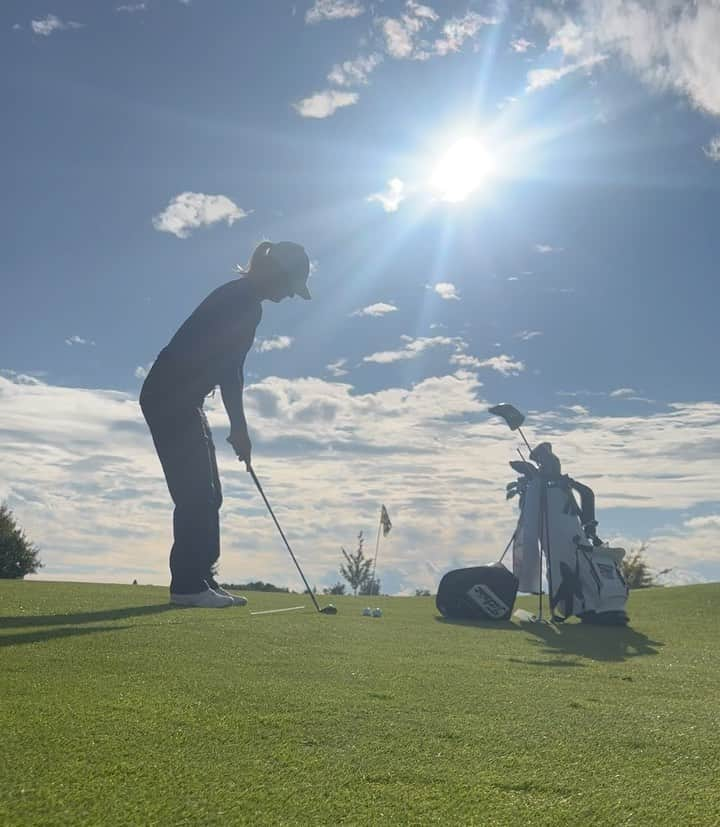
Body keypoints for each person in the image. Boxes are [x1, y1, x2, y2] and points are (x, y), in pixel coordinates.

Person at [140, 241, 311, 608]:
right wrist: (240, 427)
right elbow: (230, 370)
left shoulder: (244, 299)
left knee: (209, 493)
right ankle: (187, 586)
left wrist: (238, 426)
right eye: (291, 287)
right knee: (196, 493)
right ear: (279, 273)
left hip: (181, 398)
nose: (290, 296)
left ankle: (200, 578)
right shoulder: (243, 303)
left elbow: (227, 366)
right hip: (169, 397)